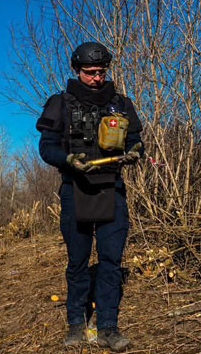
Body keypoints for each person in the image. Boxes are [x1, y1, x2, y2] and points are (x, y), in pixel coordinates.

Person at [36, 42, 143, 352]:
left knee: (110, 261)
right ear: (76, 70)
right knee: (78, 262)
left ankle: (108, 326)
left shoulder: (121, 104)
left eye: (101, 72)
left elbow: (136, 140)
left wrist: (136, 151)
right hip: (75, 190)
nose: (97, 78)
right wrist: (67, 160)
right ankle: (75, 325)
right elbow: (47, 147)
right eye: (90, 73)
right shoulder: (60, 103)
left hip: (113, 189)